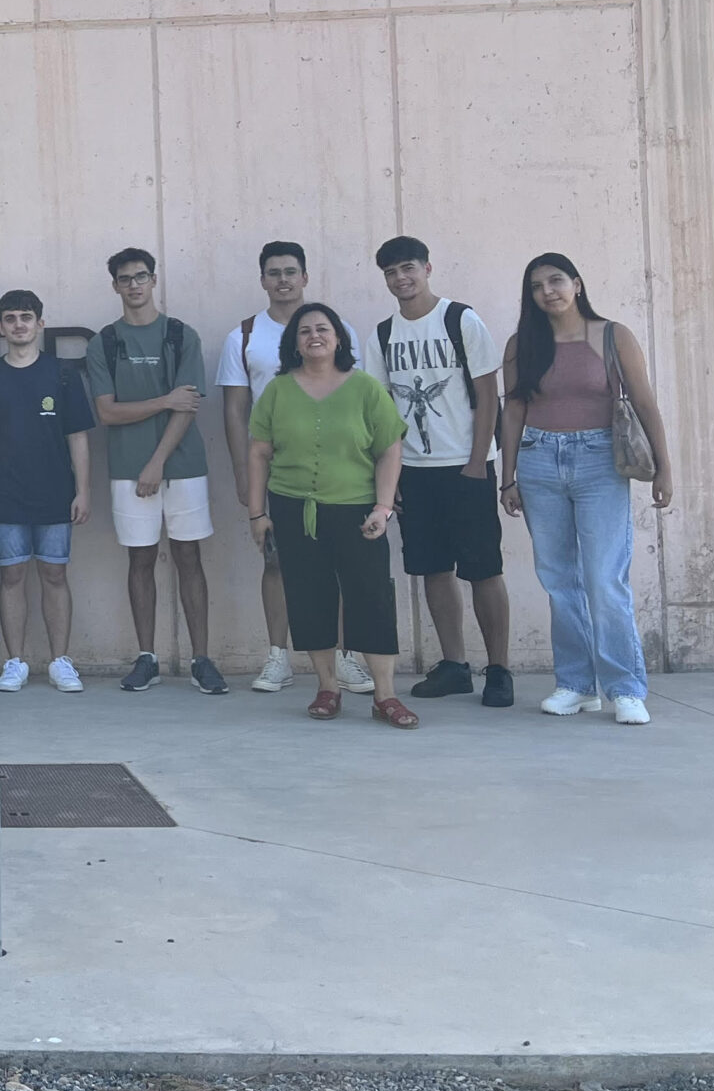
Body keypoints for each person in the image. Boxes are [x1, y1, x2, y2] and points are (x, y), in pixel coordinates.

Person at [500, 253, 674, 726]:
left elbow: (643, 402)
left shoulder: (613, 335)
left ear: (576, 283)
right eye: (536, 286)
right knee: (559, 580)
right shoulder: (522, 344)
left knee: (604, 578)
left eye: (556, 281)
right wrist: (508, 477)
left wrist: (664, 468)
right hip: (538, 461)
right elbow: (513, 411)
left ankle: (625, 688)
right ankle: (576, 685)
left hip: (600, 461)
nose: (547, 291)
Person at [246, 304, 415, 728]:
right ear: (294, 343)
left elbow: (389, 448)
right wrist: (256, 513)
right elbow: (259, 452)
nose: (314, 336)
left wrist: (382, 506)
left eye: (323, 329)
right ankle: (327, 687)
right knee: (309, 598)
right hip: (293, 509)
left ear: (339, 339)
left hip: (358, 510)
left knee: (372, 597)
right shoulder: (278, 391)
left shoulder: (365, 389)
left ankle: (385, 696)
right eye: (305, 331)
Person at [362, 236, 514, 707]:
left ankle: (499, 669)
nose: (400, 278)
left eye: (408, 267)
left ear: (427, 268)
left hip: (466, 468)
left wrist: (477, 462)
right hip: (413, 471)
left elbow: (489, 394)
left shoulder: (460, 319)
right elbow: (380, 412)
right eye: (390, 272)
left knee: (483, 569)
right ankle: (454, 665)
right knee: (432, 569)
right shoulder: (383, 335)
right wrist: (388, 481)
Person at [217, 243, 370, 698]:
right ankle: (278, 657)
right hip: (277, 469)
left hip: (341, 471)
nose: (282, 280)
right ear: (262, 280)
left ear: (305, 277)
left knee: (342, 566)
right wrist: (244, 476)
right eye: (273, 273)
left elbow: (360, 397)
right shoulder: (243, 335)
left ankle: (347, 658)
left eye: (290, 272)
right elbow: (234, 411)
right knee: (277, 562)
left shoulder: (336, 330)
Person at [85, 249, 225, 695]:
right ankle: (147, 657)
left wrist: (158, 461)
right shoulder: (103, 342)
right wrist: (164, 401)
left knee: (189, 557)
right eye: (125, 279)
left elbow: (190, 406)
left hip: (181, 468)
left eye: (141, 277)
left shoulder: (181, 335)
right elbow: (107, 412)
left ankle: (202, 658)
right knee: (140, 559)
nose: (134, 285)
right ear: (115, 286)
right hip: (127, 470)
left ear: (154, 280)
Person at [0, 289, 94, 693]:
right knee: (12, 576)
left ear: (40, 324)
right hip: (4, 495)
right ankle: (15, 662)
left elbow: (78, 437)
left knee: (55, 574)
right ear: (0, 328)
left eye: (26, 317)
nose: (18, 324)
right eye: (10, 318)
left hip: (56, 492)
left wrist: (83, 491)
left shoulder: (62, 374)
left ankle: (60, 661)